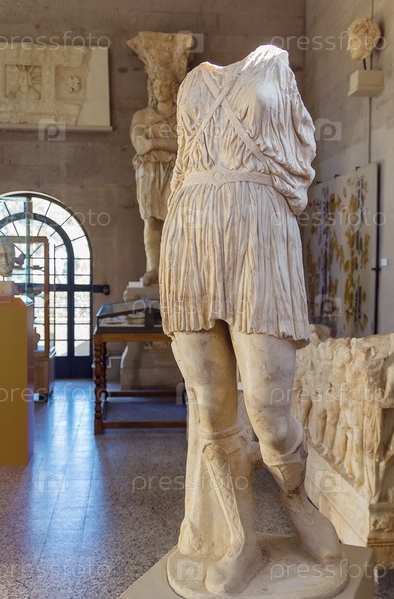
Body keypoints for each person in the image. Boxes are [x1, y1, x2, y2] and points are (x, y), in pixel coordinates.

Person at [160, 45, 344, 596]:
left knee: (269, 410)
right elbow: (183, 163)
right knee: (211, 409)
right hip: (190, 232)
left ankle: (297, 499)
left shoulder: (275, 64)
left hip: (259, 231)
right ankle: (240, 541)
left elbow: (301, 150)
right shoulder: (191, 81)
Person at [130, 68, 179, 285]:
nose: (159, 90)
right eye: (155, 86)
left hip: (175, 170)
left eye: (163, 86)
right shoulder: (142, 116)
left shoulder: (182, 115)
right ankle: (153, 269)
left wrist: (154, 142)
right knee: (150, 219)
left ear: (172, 88)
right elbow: (141, 146)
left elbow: (184, 145)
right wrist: (166, 143)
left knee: (174, 219)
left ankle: (173, 271)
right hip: (149, 171)